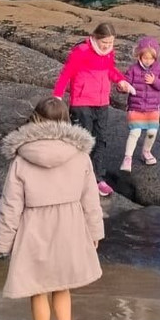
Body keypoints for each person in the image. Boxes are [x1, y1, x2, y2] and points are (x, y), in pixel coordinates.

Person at [0, 96, 104, 320]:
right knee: (62, 284)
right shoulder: (80, 155)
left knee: (37, 287)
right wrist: (94, 232)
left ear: (35, 119)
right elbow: (90, 198)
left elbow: (11, 206)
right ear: (66, 120)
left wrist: (0, 245)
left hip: (34, 229)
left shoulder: (21, 159)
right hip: (69, 227)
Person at [52, 22, 135, 196]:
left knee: (100, 140)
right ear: (96, 37)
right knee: (82, 141)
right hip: (81, 102)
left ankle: (98, 178)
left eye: (111, 43)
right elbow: (66, 73)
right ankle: (76, 176)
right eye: (105, 42)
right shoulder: (81, 51)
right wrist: (57, 96)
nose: (107, 46)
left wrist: (121, 80)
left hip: (102, 102)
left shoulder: (108, 53)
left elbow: (110, 70)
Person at [120, 36, 160, 171]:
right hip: (136, 107)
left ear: (156, 57)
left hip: (153, 108)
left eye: (151, 58)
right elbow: (125, 82)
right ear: (139, 55)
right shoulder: (133, 69)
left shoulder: (159, 69)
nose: (148, 61)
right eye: (145, 58)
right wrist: (122, 87)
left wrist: (155, 81)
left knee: (152, 132)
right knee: (134, 132)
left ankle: (146, 151)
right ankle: (127, 157)